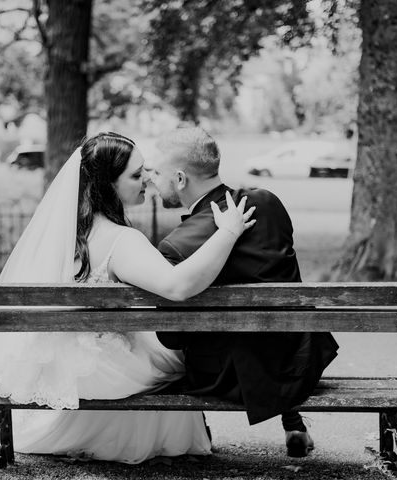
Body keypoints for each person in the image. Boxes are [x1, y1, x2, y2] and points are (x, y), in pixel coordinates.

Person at [0, 132, 255, 464]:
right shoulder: (122, 240)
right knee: (180, 359)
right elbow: (178, 287)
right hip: (100, 373)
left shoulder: (69, 235)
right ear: (108, 184)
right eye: (136, 175)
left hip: (60, 366)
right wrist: (228, 232)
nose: (148, 181)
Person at [149, 127, 339, 458]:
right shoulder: (268, 203)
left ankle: (194, 432)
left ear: (180, 179)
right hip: (300, 357)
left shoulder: (176, 245)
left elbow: (172, 338)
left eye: (157, 173)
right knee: (262, 335)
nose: (153, 181)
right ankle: (292, 422)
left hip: (227, 378)